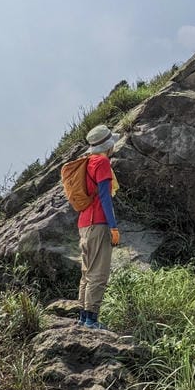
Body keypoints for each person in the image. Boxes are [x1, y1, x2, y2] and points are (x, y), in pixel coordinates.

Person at [77, 124, 121, 329]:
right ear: (108, 145)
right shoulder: (102, 162)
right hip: (98, 223)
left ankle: (82, 317)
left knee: (87, 273)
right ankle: (91, 320)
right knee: (99, 274)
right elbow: (105, 197)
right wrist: (113, 227)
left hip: (84, 224)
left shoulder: (87, 161)